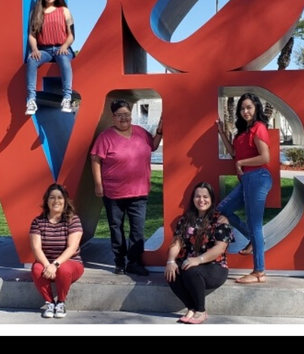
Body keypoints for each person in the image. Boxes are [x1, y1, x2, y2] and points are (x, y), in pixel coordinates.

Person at [90, 99, 164, 276]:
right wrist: (98, 184)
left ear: (131, 115)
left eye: (127, 114)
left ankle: (134, 261)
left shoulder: (140, 132)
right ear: (113, 117)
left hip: (138, 192)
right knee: (116, 228)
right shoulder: (105, 137)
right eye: (120, 115)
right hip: (113, 192)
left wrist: (160, 131)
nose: (124, 118)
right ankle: (119, 261)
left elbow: (153, 146)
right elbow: (95, 159)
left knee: (137, 229)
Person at [216, 92, 272, 284]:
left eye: (249, 107)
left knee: (255, 223)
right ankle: (255, 240)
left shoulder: (259, 128)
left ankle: (259, 272)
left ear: (256, 108)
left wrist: (242, 163)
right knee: (223, 210)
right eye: (242, 108)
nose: (245, 111)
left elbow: (265, 157)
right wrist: (222, 133)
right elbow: (233, 153)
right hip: (247, 179)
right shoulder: (244, 131)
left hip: (258, 178)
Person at [165, 181, 235, 324]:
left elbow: (220, 248)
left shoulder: (220, 220)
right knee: (172, 272)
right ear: (193, 199)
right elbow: (176, 242)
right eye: (197, 196)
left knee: (191, 270)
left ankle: (201, 311)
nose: (201, 200)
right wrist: (170, 261)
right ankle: (191, 308)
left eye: (205, 197)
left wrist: (198, 260)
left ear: (211, 199)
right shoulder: (185, 220)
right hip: (190, 265)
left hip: (215, 267)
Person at [29, 183, 84, 318]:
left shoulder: (73, 220)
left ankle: (61, 302)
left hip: (70, 262)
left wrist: (55, 265)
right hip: (47, 263)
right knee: (36, 269)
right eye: (52, 197)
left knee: (64, 269)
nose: (56, 201)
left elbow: (72, 247)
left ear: (65, 201)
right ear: (46, 201)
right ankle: (50, 303)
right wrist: (48, 265)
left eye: (60, 197)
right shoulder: (37, 222)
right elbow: (36, 247)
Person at [25, 0, 76, 113]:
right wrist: (34, 49)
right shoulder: (35, 13)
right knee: (31, 60)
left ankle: (67, 98)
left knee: (64, 59)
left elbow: (71, 35)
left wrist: (64, 46)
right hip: (44, 50)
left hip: (62, 48)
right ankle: (31, 100)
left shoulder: (64, 11)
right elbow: (32, 35)